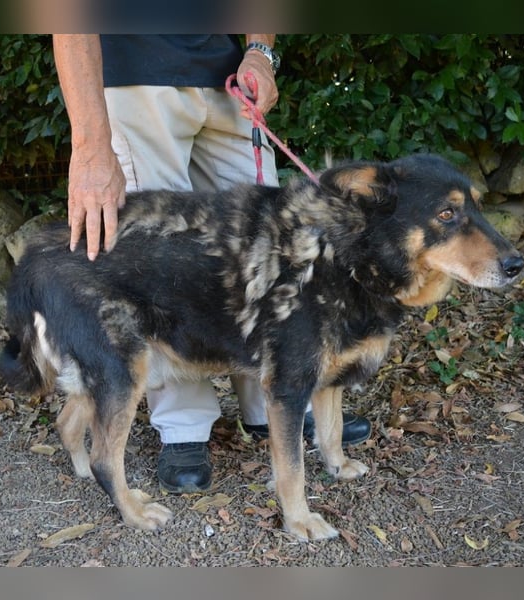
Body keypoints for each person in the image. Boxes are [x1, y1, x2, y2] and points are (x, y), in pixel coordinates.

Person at [52, 34, 371, 494]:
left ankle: (281, 397)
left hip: (226, 77)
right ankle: (184, 426)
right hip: (134, 79)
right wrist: (90, 146)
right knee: (161, 264)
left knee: (269, 249)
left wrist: (260, 51)